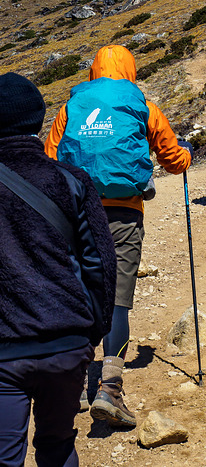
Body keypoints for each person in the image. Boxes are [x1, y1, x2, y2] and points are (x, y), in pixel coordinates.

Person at [45, 45, 192, 429]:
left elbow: (50, 156)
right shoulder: (141, 104)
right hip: (125, 213)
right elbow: (172, 159)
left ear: (93, 70)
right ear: (130, 70)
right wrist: (187, 157)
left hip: (77, 212)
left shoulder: (71, 107)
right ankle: (109, 387)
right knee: (117, 301)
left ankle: (76, 381)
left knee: (80, 293)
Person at [0, 72, 116, 467]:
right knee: (58, 444)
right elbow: (101, 264)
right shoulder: (72, 179)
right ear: (39, 119)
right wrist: (92, 332)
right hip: (67, 344)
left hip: (4, 352)